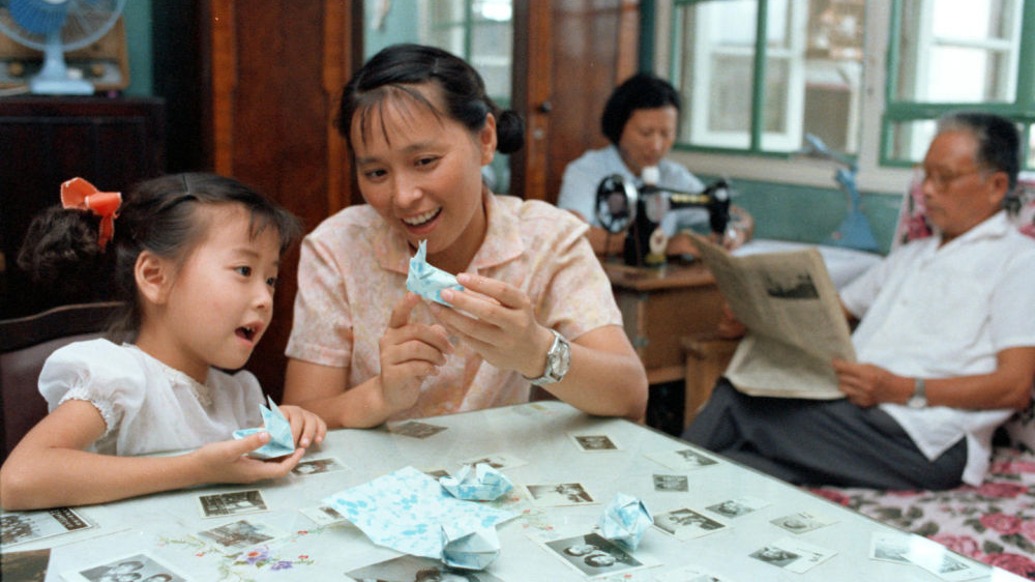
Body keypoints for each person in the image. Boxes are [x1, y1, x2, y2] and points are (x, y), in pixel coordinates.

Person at [282, 43, 648, 428]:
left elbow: (631, 396)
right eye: (376, 173)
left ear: (485, 139)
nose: (403, 197)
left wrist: (536, 351)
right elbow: (303, 416)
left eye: (425, 162)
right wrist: (380, 395)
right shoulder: (337, 248)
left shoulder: (548, 240)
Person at [683, 111, 1035, 490]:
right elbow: (828, 312)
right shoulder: (911, 256)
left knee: (742, 403)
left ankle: (647, 489)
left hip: (929, 439)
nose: (928, 191)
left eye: (944, 178)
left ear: (996, 186)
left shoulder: (1018, 261)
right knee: (736, 467)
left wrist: (901, 389)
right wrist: (754, 316)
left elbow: (1013, 386)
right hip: (853, 416)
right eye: (925, 176)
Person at [0, 173, 327, 511]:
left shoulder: (239, 394)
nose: (264, 298)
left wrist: (291, 425)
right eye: (244, 270)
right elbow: (18, 479)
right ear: (155, 277)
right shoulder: (119, 379)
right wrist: (193, 469)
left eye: (270, 279)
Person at [556, 72, 754, 257]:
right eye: (646, 133)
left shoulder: (673, 175)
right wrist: (663, 245)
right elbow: (573, 235)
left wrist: (736, 232)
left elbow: (737, 215)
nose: (656, 146)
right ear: (618, 127)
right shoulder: (586, 171)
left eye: (666, 134)